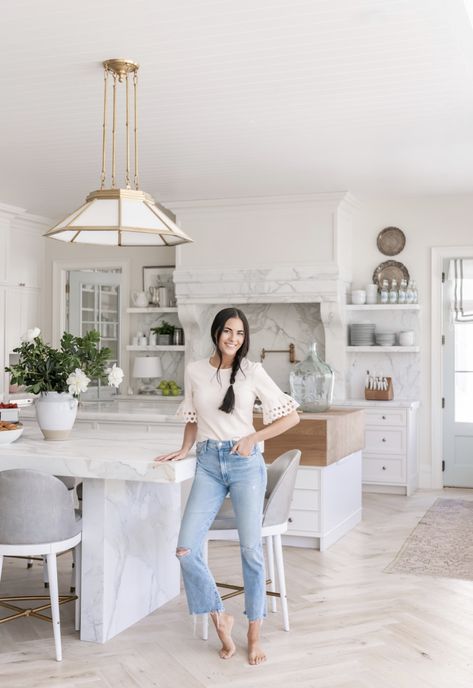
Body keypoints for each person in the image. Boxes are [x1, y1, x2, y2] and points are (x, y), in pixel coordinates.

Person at [155, 307, 300, 665]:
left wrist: (255, 438)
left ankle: (254, 633)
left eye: (240, 333)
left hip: (245, 464)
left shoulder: (252, 371)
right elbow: (193, 418)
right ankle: (220, 616)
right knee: (185, 549)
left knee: (250, 551)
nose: (234, 338)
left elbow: (291, 416)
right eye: (228, 331)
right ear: (217, 332)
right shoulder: (195, 370)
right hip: (207, 462)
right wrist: (185, 449)